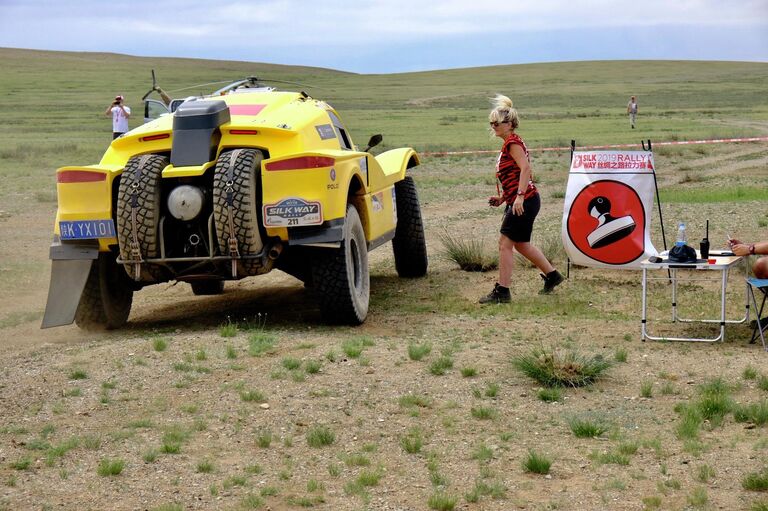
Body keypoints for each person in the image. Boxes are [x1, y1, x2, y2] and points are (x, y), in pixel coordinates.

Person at [480, 94, 564, 304]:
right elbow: (518, 173)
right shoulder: (510, 142)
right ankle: (552, 276)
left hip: (524, 200)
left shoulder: (513, 143)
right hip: (525, 199)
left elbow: (526, 169)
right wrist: (503, 198)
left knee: (504, 244)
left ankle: (503, 291)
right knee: (522, 245)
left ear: (509, 124)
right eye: (491, 123)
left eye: (497, 123)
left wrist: (518, 197)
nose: (493, 126)